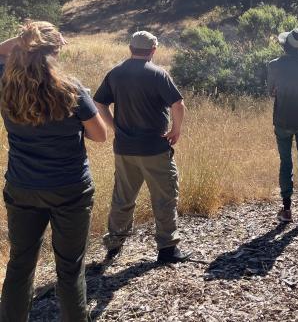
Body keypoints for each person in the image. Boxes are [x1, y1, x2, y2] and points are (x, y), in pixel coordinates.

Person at [0, 22, 107, 322]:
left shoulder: (6, 84)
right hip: (70, 188)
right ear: (56, 51)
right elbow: (99, 136)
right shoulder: (72, 88)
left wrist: (26, 39)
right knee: (70, 269)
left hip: (22, 186)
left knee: (20, 264)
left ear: (24, 47)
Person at [93, 31, 190, 263]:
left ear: (130, 48)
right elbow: (178, 105)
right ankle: (167, 249)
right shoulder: (158, 74)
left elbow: (99, 103)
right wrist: (176, 130)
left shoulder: (115, 73)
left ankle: (114, 245)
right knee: (164, 197)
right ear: (153, 50)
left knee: (123, 197)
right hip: (155, 148)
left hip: (125, 148)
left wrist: (115, 127)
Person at [267, 28, 298, 224]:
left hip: (283, 119)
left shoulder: (274, 65)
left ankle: (287, 209)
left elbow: (271, 92)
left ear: (286, 46)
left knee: (285, 162)